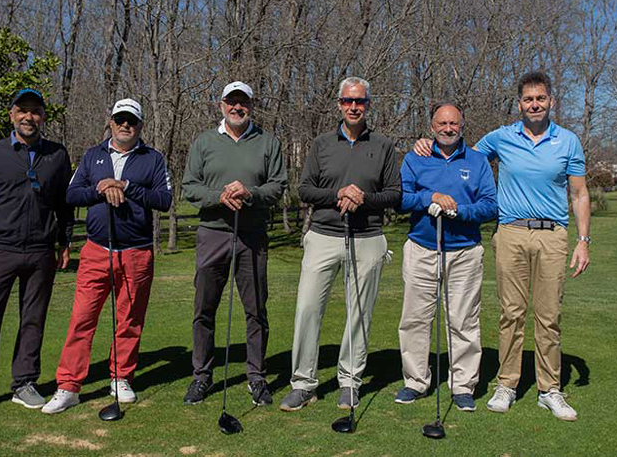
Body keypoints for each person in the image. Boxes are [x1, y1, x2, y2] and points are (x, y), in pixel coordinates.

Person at [414, 71, 590, 421]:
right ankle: (507, 384)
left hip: (552, 235)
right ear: (520, 103)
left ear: (551, 101)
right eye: (528, 99)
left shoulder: (568, 141)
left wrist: (583, 241)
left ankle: (549, 389)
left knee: (549, 316)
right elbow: (461, 156)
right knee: (511, 313)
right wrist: (428, 145)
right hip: (509, 233)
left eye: (540, 98)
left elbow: (580, 193)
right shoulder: (502, 137)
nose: (535, 104)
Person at [42, 98, 172, 414]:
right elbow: (72, 194)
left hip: (137, 252)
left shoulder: (152, 158)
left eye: (131, 120)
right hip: (97, 250)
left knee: (129, 319)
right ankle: (69, 386)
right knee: (82, 319)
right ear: (110, 122)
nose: (125, 125)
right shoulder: (92, 156)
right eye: (119, 119)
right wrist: (101, 188)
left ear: (140, 125)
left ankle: (121, 377)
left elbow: (164, 199)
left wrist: (126, 186)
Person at [280, 77, 401, 412]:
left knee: (359, 314)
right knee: (307, 309)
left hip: (367, 238)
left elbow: (394, 193)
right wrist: (339, 194)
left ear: (368, 104)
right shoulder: (321, 144)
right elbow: (304, 190)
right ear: (338, 104)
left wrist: (363, 198)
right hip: (323, 236)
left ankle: (350, 382)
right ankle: (303, 384)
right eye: (347, 101)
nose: (353, 107)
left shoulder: (383, 145)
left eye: (359, 102)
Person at [0, 88, 74, 418]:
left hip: (40, 251)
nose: (29, 117)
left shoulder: (57, 155)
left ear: (43, 117)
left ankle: (24, 383)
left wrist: (65, 242)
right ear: (11, 115)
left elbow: (64, 204)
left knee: (33, 320)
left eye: (36, 111)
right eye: (23, 111)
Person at [181, 81, 287, 407]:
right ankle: (202, 376)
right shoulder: (204, 142)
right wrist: (220, 196)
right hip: (213, 232)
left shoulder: (267, 142)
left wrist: (250, 194)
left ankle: (256, 377)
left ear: (251, 106)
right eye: (231, 101)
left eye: (243, 102)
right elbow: (189, 188)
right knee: (205, 309)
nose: (237, 107)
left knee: (255, 310)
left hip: (252, 236)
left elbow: (278, 186)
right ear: (221, 104)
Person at [394, 103, 497, 412]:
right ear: (432, 126)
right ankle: (415, 381)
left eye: (453, 123)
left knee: (463, 321)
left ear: (462, 125)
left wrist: (459, 211)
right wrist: (429, 199)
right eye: (442, 123)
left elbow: (491, 205)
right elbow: (400, 199)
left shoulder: (477, 161)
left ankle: (463, 386)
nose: (448, 128)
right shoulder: (416, 157)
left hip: (464, 251)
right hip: (422, 249)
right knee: (415, 319)